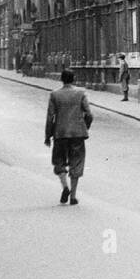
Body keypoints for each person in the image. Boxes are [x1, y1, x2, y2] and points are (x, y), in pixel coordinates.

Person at [44, 69, 93, 206]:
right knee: (76, 163)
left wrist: (48, 136)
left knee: (59, 161)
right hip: (77, 134)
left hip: (60, 133)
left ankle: (65, 187)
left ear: (62, 79)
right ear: (73, 79)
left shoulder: (54, 94)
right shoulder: (81, 93)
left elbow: (50, 117)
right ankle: (73, 196)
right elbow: (89, 114)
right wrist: (84, 127)